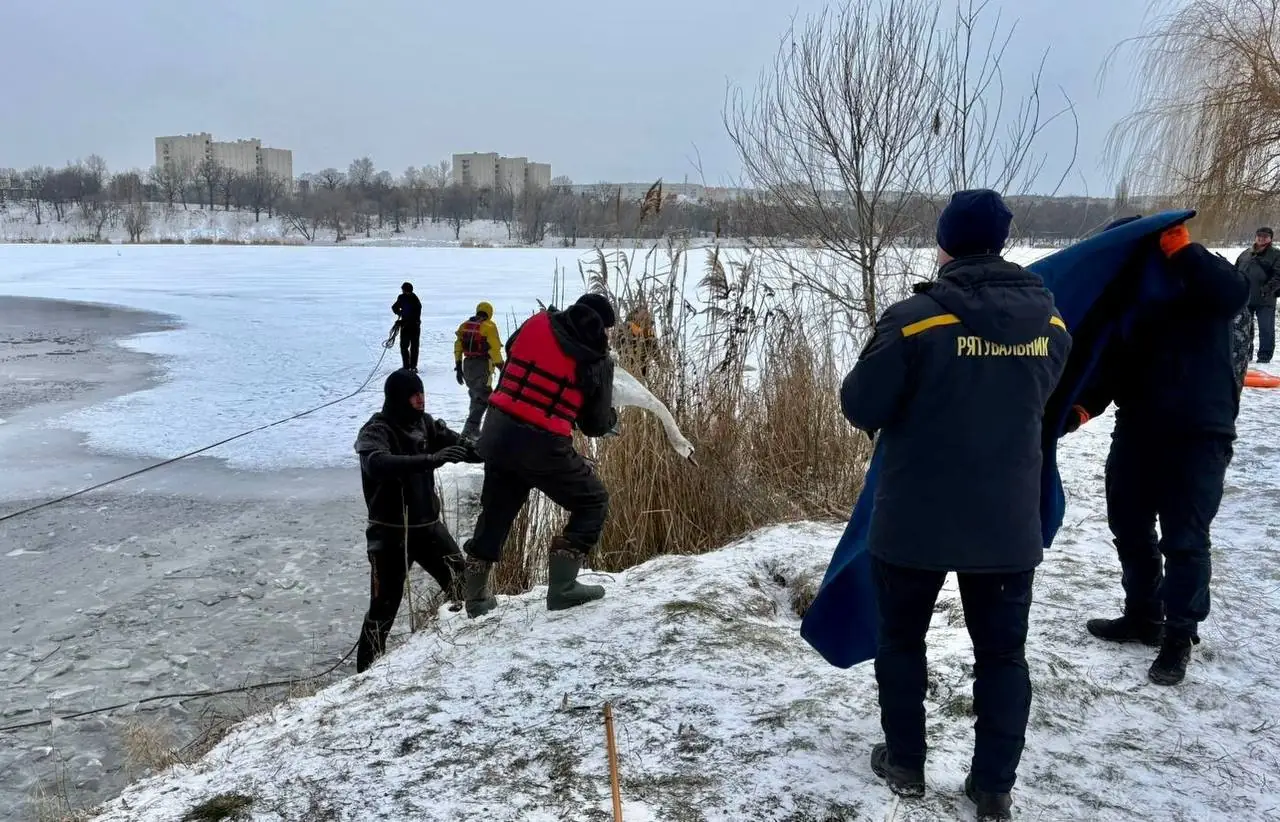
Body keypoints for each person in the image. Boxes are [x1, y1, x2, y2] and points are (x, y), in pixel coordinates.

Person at [841, 190, 1071, 821]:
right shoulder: (1050, 324)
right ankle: (993, 785)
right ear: (1000, 242)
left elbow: (861, 405)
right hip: (1005, 521)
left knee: (903, 640)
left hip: (916, 514)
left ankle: (906, 764)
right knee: (1002, 655)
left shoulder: (914, 319)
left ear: (945, 244)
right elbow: (1047, 402)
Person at [1066, 221, 1248, 686]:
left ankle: (1178, 638)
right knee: (1128, 525)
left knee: (1185, 540)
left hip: (1198, 433)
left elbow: (1234, 294)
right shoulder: (1129, 298)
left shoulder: (1201, 279)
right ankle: (1143, 615)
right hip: (1138, 430)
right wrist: (1081, 409)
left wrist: (1183, 251)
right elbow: (1109, 365)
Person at [462, 293, 619, 618]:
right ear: (604, 328)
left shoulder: (536, 322)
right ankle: (562, 589)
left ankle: (476, 600)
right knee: (593, 501)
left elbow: (510, 347)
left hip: (498, 432)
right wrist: (611, 420)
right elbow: (593, 424)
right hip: (543, 446)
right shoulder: (597, 359)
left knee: (496, 511)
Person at [352, 368, 481, 672]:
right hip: (390, 535)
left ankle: (468, 650)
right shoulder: (376, 430)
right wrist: (431, 459)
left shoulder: (424, 424)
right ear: (399, 398)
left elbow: (464, 448)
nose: (420, 400)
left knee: (463, 584)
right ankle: (363, 676)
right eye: (414, 395)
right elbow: (377, 463)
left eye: (422, 393)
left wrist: (498, 449)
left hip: (427, 529)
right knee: (384, 608)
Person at [453, 301, 505, 440]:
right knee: (485, 399)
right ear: (489, 312)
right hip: (482, 366)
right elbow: (494, 349)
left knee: (475, 397)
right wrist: (501, 366)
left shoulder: (464, 326)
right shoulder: (489, 326)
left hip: (467, 365)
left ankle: (474, 431)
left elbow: (458, 346)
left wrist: (458, 366)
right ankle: (470, 432)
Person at [1234, 226, 1280, 363]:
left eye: (1265, 236)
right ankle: (1245, 354)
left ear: (1270, 238)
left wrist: (1267, 289)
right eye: (1259, 235)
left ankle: (1264, 356)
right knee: (1243, 329)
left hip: (1265, 299)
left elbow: (1278, 276)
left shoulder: (1276, 254)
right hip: (1246, 297)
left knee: (1266, 329)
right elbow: (1236, 271)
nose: (1261, 238)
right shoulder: (1246, 253)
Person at [392, 282, 422, 371]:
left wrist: (402, 322)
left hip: (413, 326)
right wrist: (400, 313)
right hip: (407, 326)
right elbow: (394, 307)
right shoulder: (402, 298)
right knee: (404, 347)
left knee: (414, 347)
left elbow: (414, 317)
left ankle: (413, 366)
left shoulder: (416, 301)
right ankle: (406, 366)